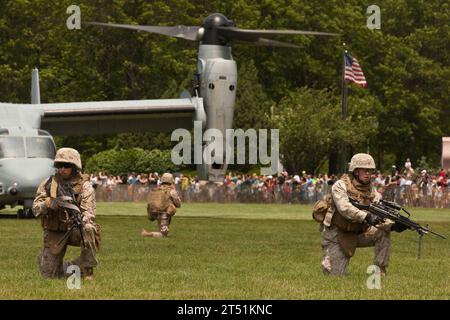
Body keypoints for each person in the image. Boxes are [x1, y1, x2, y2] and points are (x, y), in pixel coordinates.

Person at [320, 153, 406, 276]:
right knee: (333, 275)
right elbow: (344, 208)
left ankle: (379, 271)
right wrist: (366, 216)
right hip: (337, 234)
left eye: (370, 171)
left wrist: (392, 226)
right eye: (365, 171)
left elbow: (379, 214)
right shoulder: (340, 185)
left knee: (382, 232)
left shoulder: (372, 191)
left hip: (358, 232)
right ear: (355, 171)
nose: (368, 174)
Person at [32, 148, 100, 279]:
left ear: (75, 167)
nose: (62, 169)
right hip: (55, 230)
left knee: (89, 228)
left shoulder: (85, 186)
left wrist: (83, 220)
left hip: (76, 230)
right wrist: (47, 204)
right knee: (50, 275)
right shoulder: (48, 183)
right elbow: (35, 209)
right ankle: (64, 265)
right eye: (59, 165)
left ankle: (87, 269)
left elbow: (89, 212)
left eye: (66, 166)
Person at [142, 173, 181, 237]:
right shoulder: (171, 191)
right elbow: (178, 204)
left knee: (164, 229)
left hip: (153, 212)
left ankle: (153, 232)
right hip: (164, 214)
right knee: (163, 234)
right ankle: (147, 234)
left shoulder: (157, 189)